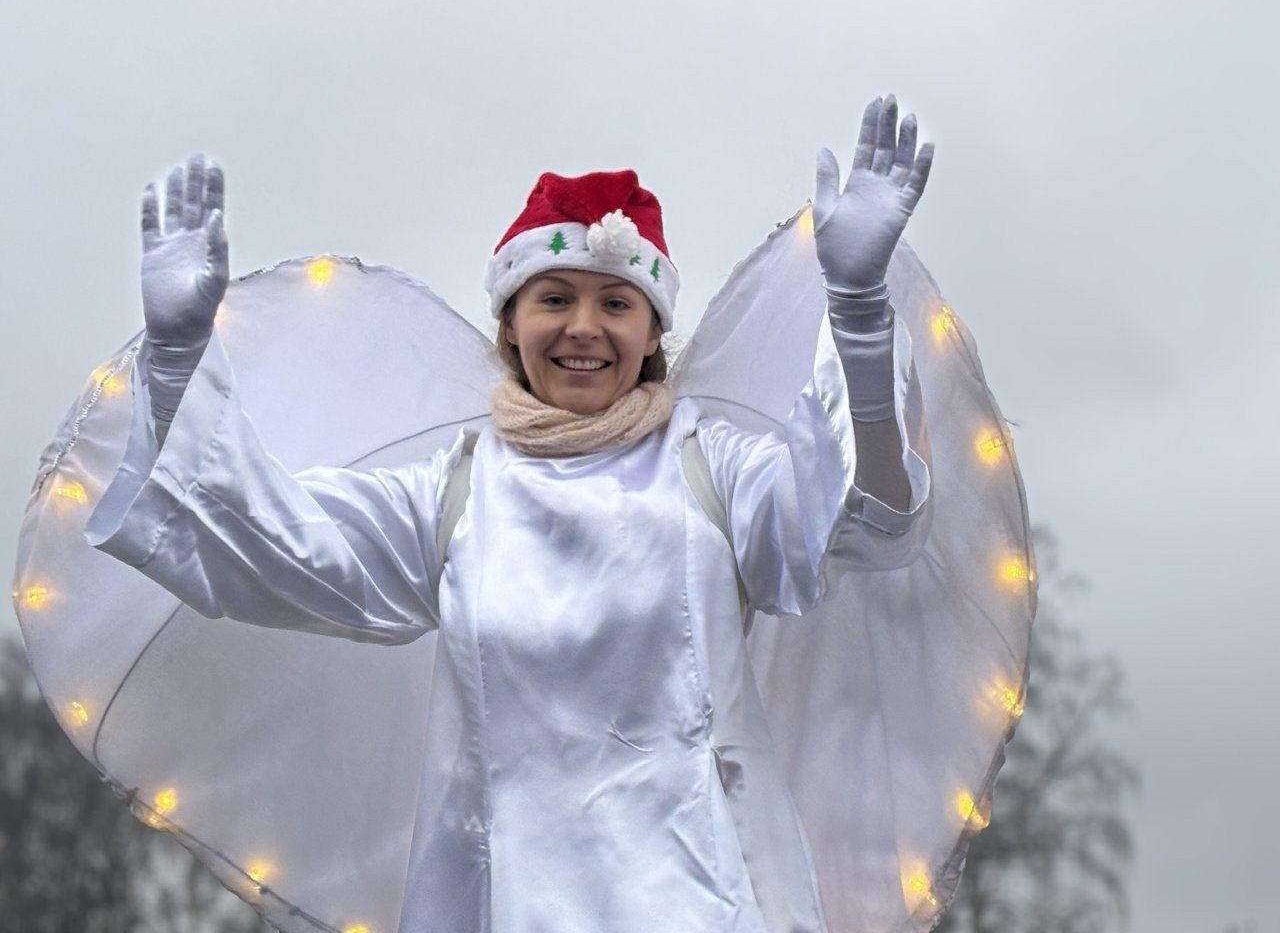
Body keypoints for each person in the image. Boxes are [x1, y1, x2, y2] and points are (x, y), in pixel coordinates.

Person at [16, 93, 1034, 933]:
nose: (582, 328)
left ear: (649, 332)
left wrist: (855, 311)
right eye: (553, 298)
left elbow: (864, 512)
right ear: (510, 323)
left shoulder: (711, 473)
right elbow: (261, 539)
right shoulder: (456, 492)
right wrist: (179, 360)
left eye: (614, 303)